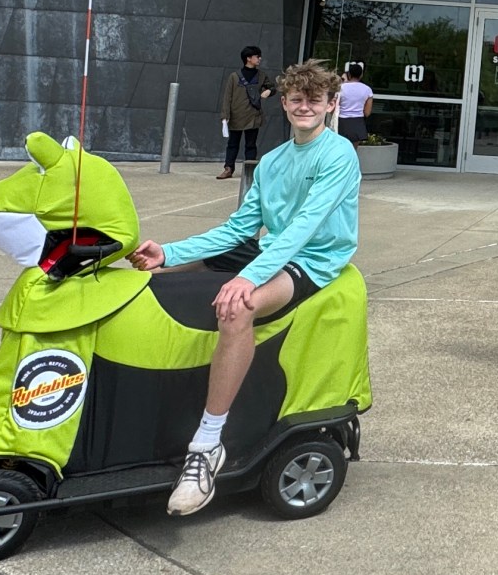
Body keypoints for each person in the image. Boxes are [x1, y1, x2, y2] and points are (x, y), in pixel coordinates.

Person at [133, 61, 360, 515]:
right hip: (272, 250)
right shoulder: (273, 161)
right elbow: (239, 228)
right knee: (154, 274)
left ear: (332, 104)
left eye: (316, 99)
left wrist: (249, 277)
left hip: (312, 260)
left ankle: (207, 446)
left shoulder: (338, 155)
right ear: (285, 102)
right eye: (297, 98)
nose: (305, 106)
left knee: (237, 307)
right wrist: (170, 254)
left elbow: (302, 229)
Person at [218, 46, 273, 180]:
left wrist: (269, 91)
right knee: (232, 144)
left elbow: (271, 87)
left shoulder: (261, 76)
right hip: (236, 116)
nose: (259, 59)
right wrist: (225, 116)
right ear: (248, 58)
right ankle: (228, 168)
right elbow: (227, 97)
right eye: (257, 56)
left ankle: (250, 171)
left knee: (251, 144)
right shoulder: (234, 77)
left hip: (254, 115)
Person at [336, 62, 375, 146]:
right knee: (353, 151)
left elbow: (334, 106)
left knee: (339, 148)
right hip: (358, 122)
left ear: (349, 74)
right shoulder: (367, 90)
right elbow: (367, 113)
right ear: (361, 75)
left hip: (342, 121)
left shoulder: (340, 88)